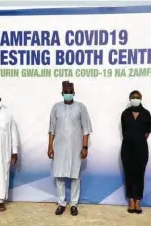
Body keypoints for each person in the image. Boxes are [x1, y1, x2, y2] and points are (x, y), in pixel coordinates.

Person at [47, 81, 92, 216]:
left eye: (70, 91)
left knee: (75, 175)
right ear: (62, 93)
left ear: (73, 93)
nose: (68, 94)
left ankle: (73, 204)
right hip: (59, 147)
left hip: (75, 147)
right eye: (65, 92)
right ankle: (61, 203)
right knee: (59, 175)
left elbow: (86, 129)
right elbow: (51, 129)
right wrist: (50, 147)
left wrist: (84, 147)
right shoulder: (56, 107)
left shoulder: (81, 107)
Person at [120, 90, 151, 214]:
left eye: (137, 97)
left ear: (141, 98)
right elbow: (124, 130)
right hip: (127, 148)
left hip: (141, 148)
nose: (135, 98)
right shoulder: (125, 114)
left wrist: (138, 139)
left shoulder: (146, 114)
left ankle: (138, 201)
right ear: (129, 99)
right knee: (129, 174)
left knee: (139, 174)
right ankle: (131, 201)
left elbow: (147, 132)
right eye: (132, 97)